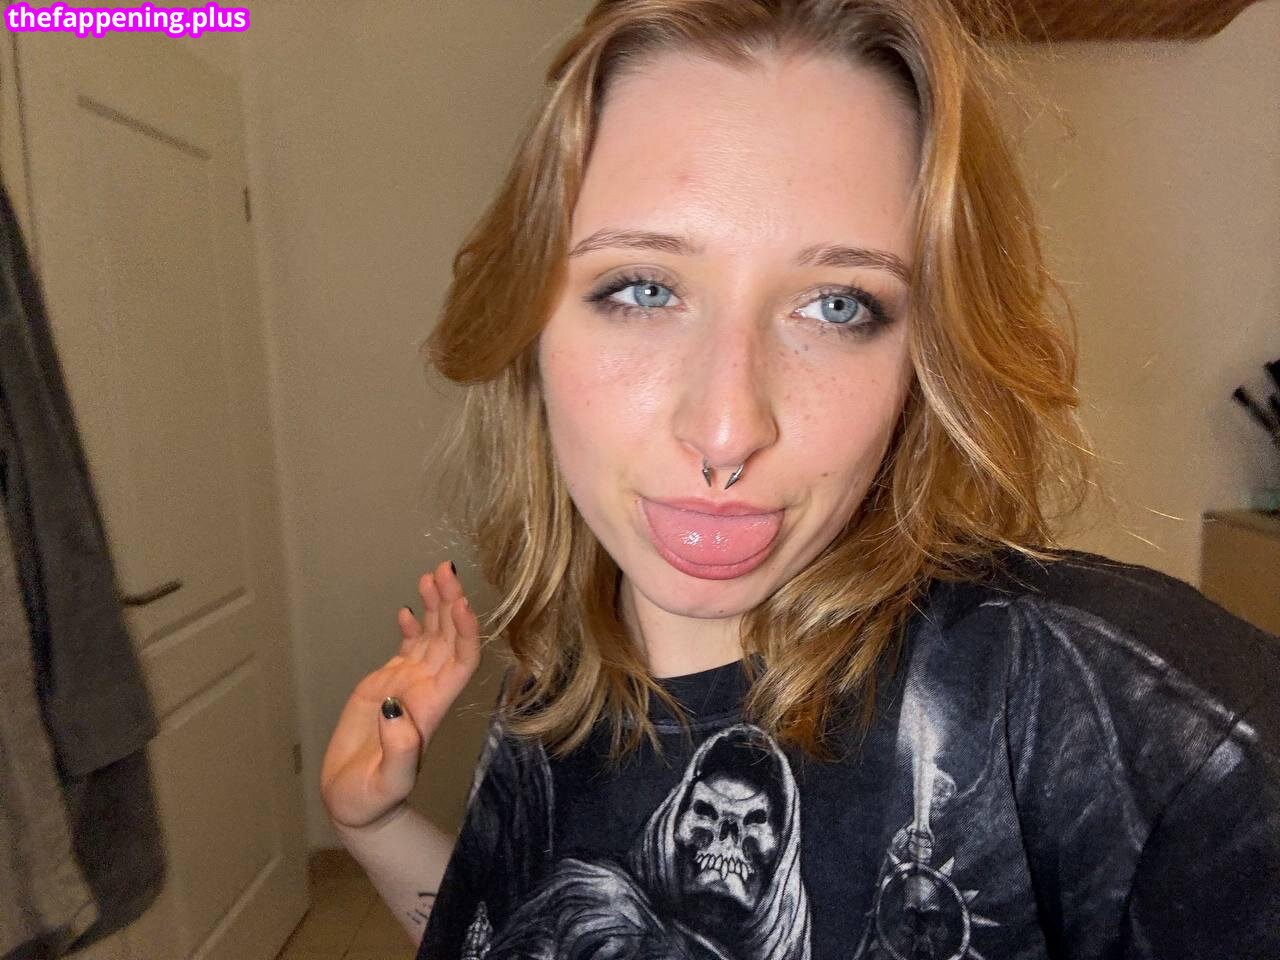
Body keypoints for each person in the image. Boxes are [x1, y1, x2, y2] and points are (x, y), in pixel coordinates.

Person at [319, 0, 1280, 957]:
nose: (728, 428)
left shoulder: (1083, 715)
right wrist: (376, 828)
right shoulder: (562, 663)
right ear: (529, 324)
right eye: (644, 288)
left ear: (928, 354)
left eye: (836, 305)